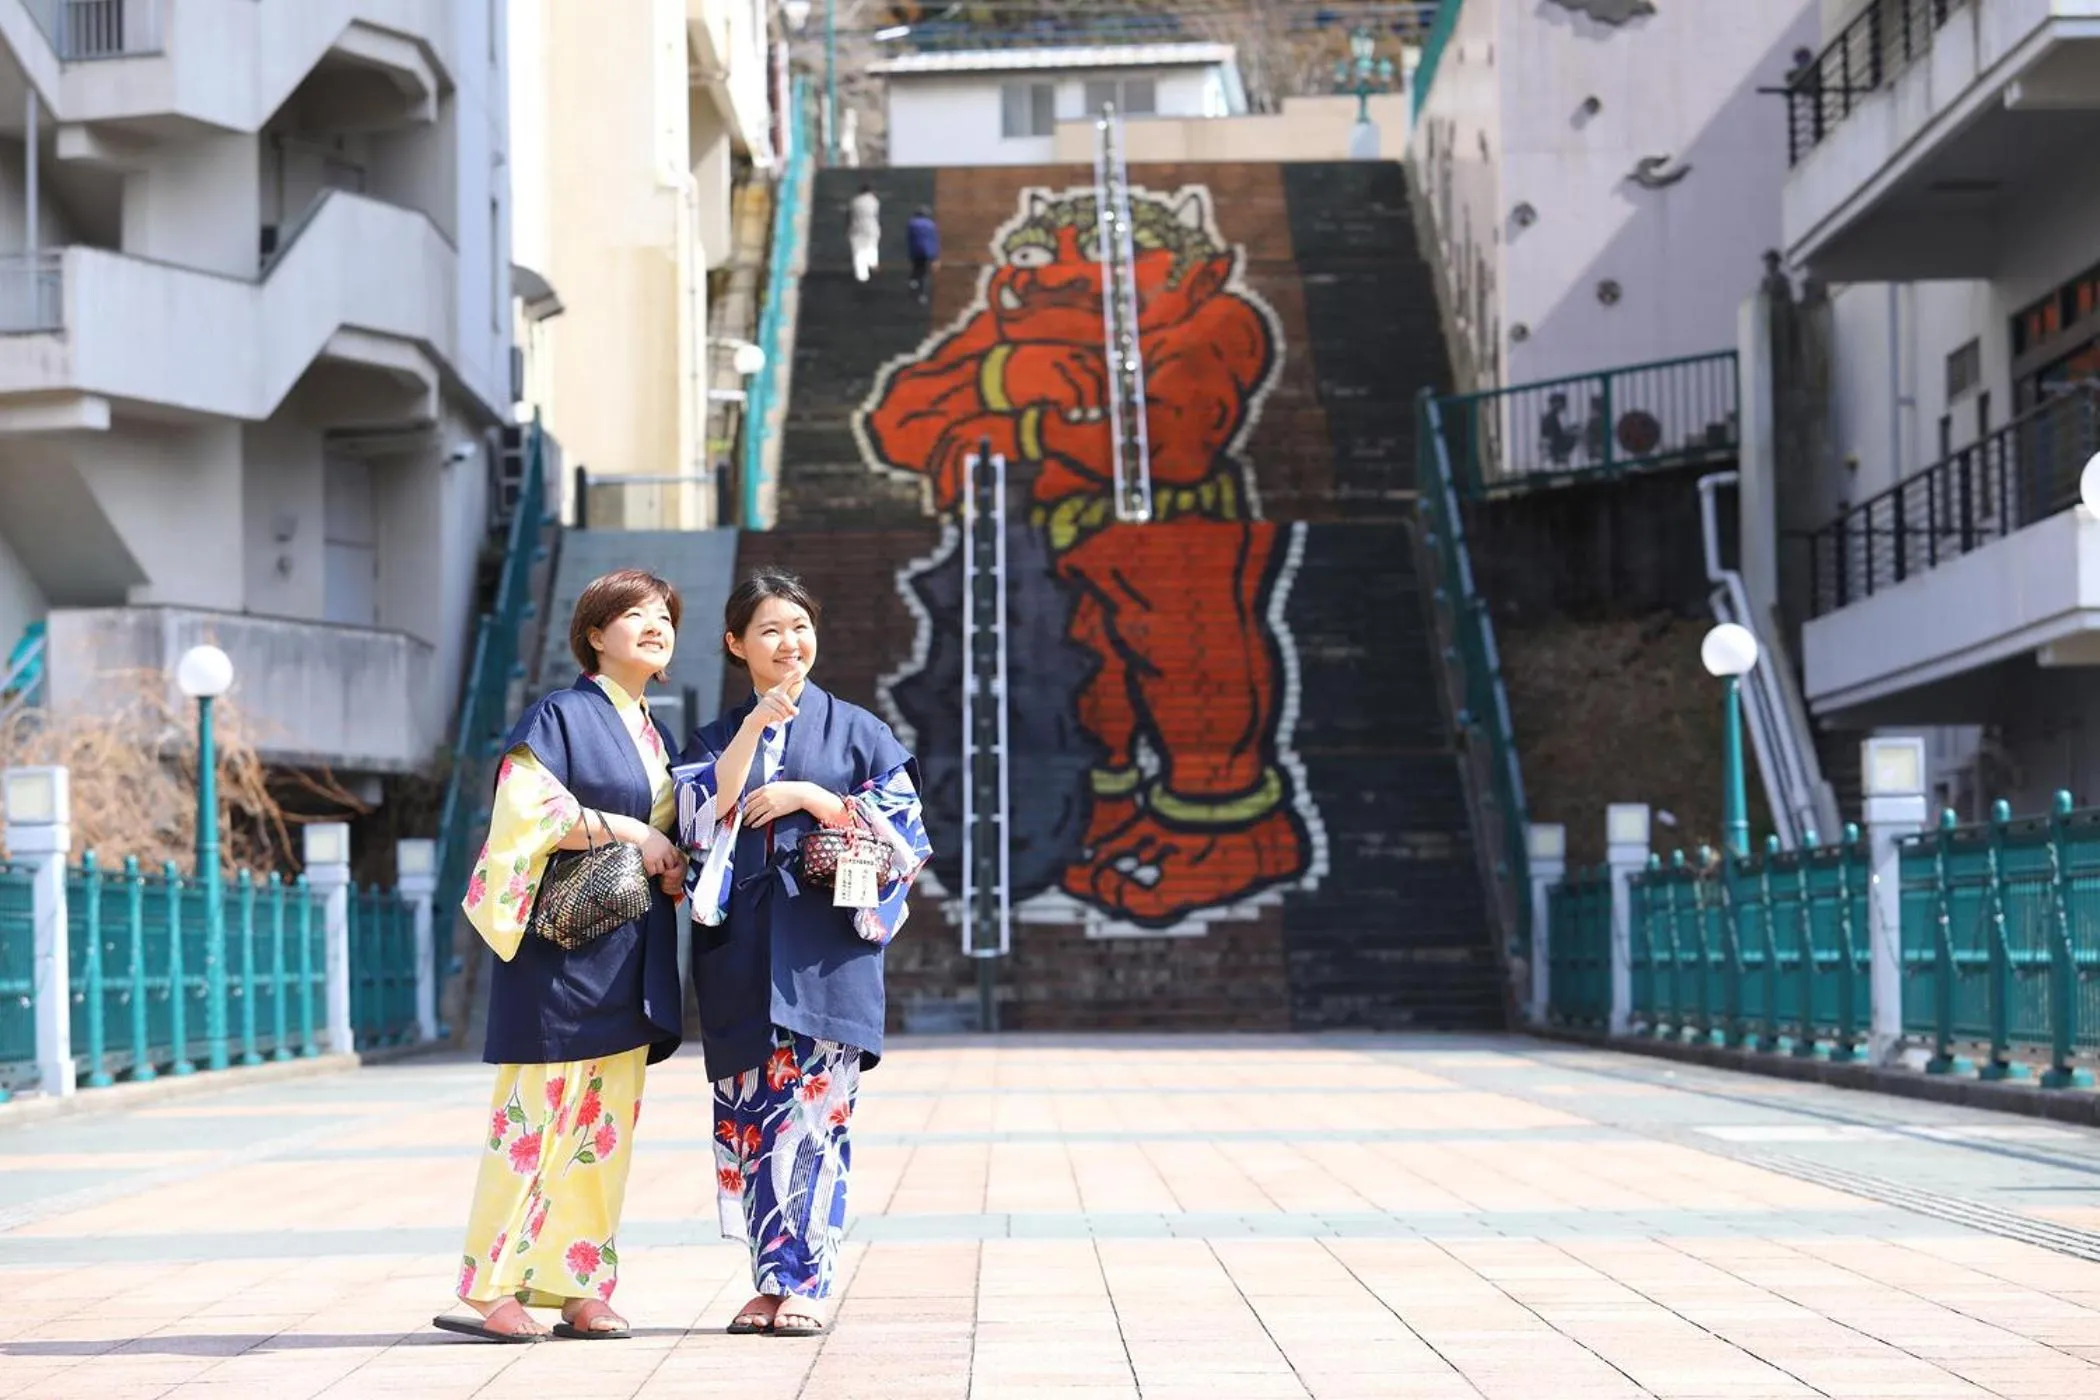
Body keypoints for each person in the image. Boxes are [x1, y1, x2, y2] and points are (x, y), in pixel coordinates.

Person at [433, 569, 689, 1344]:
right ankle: (489, 1284)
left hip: (626, 951)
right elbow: (530, 812)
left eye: (664, 617)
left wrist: (672, 859)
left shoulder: (654, 729)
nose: (654, 625)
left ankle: (578, 1281)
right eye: (634, 614)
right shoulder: (561, 714)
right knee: (532, 1120)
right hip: (557, 952)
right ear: (593, 634)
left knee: (603, 1127)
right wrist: (638, 834)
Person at [675, 570, 931, 1338]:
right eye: (770, 631)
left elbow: (906, 838)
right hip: (742, 949)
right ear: (735, 644)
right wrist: (755, 729)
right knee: (751, 1116)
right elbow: (698, 815)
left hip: (826, 952)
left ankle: (807, 1279)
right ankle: (766, 1277)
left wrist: (813, 799)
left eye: (800, 625)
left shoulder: (860, 731)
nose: (790, 643)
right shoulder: (717, 736)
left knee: (816, 1118)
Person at [906, 205, 940, 305]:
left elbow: (910, 238)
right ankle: (922, 295)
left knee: (917, 267)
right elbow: (935, 241)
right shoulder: (932, 225)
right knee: (924, 274)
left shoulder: (912, 224)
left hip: (915, 251)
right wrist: (936, 257)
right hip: (927, 252)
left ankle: (913, 281)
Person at [848, 182, 881, 283]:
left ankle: (862, 275)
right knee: (871, 246)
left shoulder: (854, 201)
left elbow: (850, 215)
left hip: (856, 227)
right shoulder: (874, 201)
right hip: (871, 226)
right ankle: (872, 262)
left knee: (859, 252)